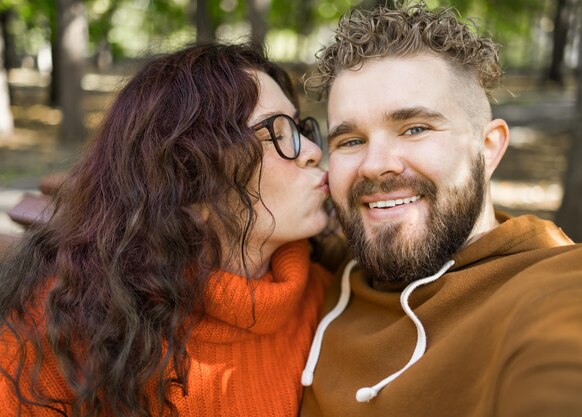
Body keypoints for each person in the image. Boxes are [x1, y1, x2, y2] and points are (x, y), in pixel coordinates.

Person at [299, 3, 582, 416]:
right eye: (349, 141)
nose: (376, 163)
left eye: (414, 129)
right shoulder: (325, 269)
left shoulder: (563, 287)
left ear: (488, 149)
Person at [0, 42, 335, 416]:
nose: (312, 150)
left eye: (301, 127)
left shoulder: (329, 299)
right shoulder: (66, 326)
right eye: (279, 131)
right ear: (192, 184)